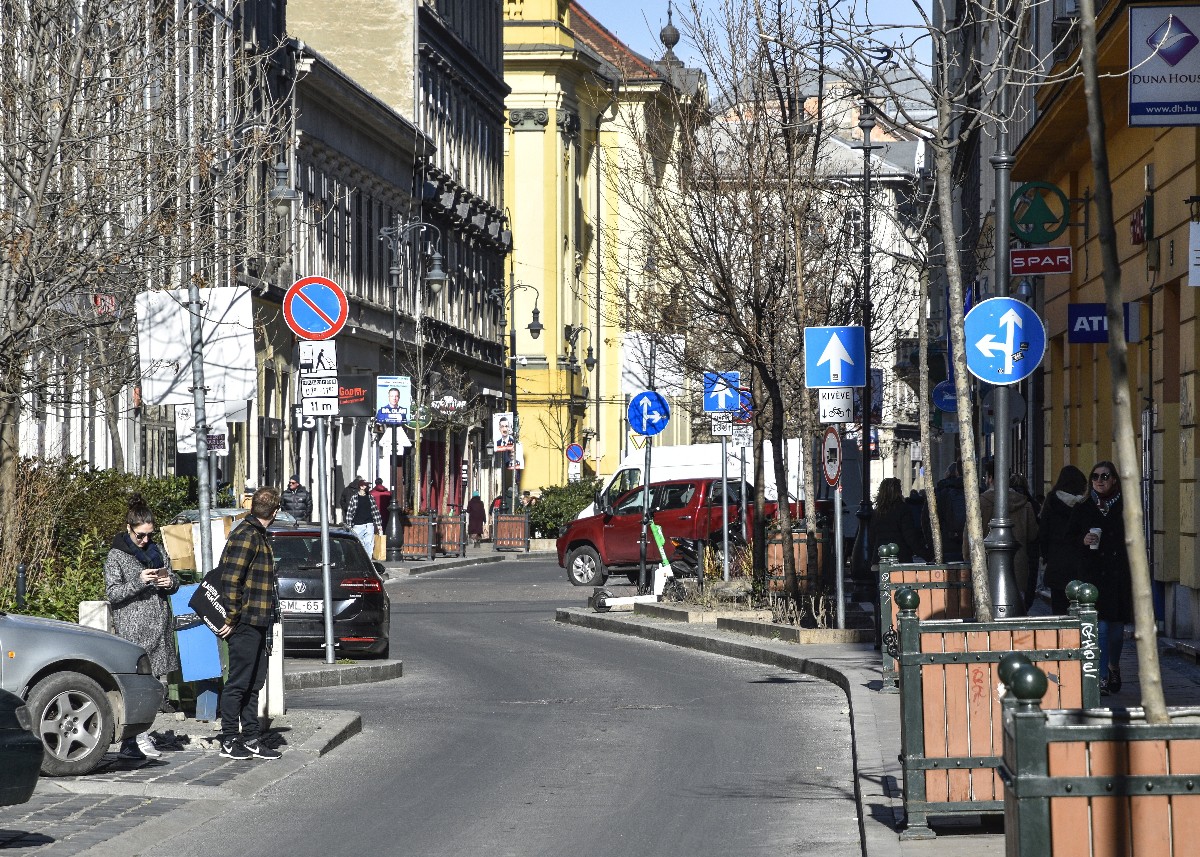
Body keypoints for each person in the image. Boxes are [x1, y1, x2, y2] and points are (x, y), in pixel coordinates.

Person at [104, 495, 180, 761]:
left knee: (153, 687)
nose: (145, 540)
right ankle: (134, 740)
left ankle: (141, 735)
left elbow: (174, 578)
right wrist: (139, 580)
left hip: (159, 627)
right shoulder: (116, 555)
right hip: (134, 631)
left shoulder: (157, 550)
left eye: (149, 534)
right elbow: (113, 593)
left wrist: (169, 582)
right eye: (140, 535)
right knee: (136, 687)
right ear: (129, 528)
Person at [214, 486, 283, 761]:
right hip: (245, 621)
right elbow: (231, 580)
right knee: (238, 683)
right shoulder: (247, 535)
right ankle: (230, 739)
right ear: (275, 511)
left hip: (259, 620)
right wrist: (231, 618)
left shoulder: (257, 534)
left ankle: (251, 737)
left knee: (254, 683)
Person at [1065, 461, 1133, 695]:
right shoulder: (1083, 507)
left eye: (1105, 476)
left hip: (1118, 574)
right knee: (1100, 628)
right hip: (1092, 575)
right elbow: (1069, 538)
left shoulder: (1125, 506)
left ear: (1114, 479)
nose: (1099, 481)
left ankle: (1114, 666)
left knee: (1116, 632)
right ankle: (1101, 676)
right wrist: (1082, 540)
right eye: (1095, 477)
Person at [969, 458, 1039, 598]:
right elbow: (1033, 535)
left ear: (990, 478)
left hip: (986, 567)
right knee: (1016, 605)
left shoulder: (979, 503)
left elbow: (969, 537)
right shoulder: (1025, 504)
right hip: (1018, 567)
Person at [1039, 464, 1088, 614]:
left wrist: (1046, 556)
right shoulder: (1084, 505)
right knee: (1082, 605)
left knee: (1059, 607)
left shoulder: (1052, 501)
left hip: (1057, 562)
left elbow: (1043, 532)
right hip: (1080, 562)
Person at [868, 477, 924, 563]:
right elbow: (910, 537)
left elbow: (872, 538)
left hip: (880, 557)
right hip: (900, 557)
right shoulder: (903, 509)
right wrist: (926, 554)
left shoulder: (877, 512)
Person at [928, 462, 967, 562]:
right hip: (969, 543)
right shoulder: (976, 492)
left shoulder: (941, 492)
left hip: (946, 543)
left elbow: (929, 520)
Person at [345, 477, 383, 557]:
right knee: (358, 544)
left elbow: (375, 511)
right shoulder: (354, 498)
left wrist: (379, 525)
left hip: (369, 525)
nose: (368, 487)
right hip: (358, 525)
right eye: (366, 485)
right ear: (361, 487)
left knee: (369, 544)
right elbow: (350, 512)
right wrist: (349, 525)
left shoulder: (370, 497)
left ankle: (368, 561)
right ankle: (359, 560)